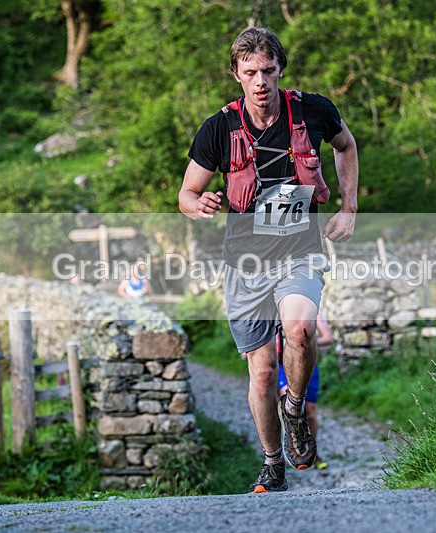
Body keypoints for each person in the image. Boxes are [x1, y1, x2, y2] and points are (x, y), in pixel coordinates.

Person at [179, 26, 358, 493]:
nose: (261, 81)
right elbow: (186, 192)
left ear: (281, 70)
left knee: (300, 329)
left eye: (268, 71)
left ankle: (295, 408)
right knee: (260, 371)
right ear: (236, 74)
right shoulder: (218, 128)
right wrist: (197, 205)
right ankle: (272, 462)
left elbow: (347, 146)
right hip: (246, 264)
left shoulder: (313, 110)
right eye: (251, 72)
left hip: (300, 253)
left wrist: (349, 206)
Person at [276, 310, 333, 470]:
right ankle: (290, 449)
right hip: (281, 365)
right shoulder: (268, 310)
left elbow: (328, 337)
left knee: (310, 411)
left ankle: (312, 451)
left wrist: (302, 340)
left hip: (307, 363)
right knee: (288, 401)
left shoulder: (310, 308)